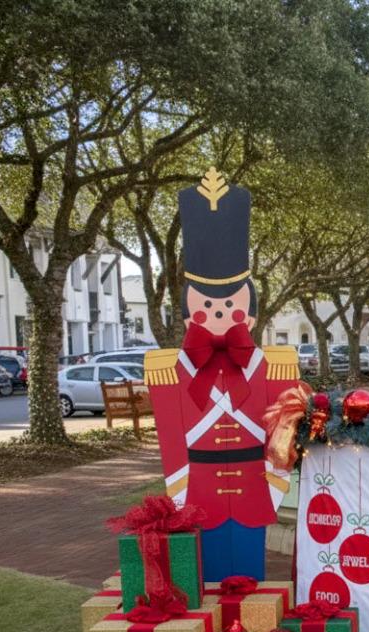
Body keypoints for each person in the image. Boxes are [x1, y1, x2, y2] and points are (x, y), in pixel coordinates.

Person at [143, 168, 300, 581]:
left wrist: (276, 479)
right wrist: (180, 490)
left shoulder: (276, 365)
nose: (219, 316)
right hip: (201, 487)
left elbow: (283, 432)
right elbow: (171, 435)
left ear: (248, 314)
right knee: (210, 578)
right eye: (207, 309)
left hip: (253, 482)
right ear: (188, 312)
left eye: (230, 308)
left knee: (252, 575)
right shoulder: (168, 370)